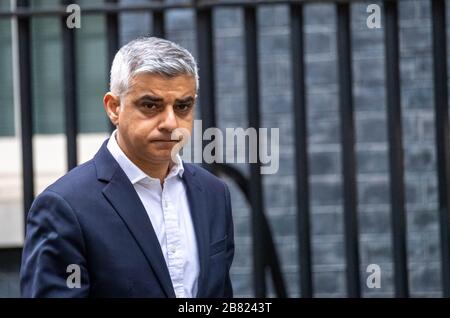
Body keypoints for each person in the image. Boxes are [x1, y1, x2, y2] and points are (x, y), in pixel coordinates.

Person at [20, 37, 234, 298]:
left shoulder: (213, 194)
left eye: (182, 106)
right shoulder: (64, 207)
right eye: (150, 105)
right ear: (114, 108)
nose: (170, 122)